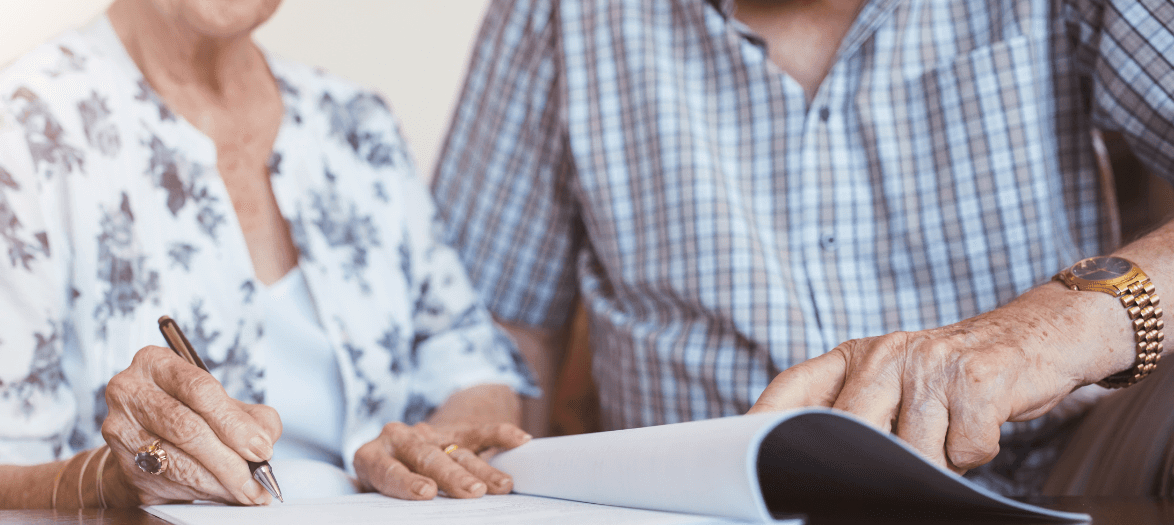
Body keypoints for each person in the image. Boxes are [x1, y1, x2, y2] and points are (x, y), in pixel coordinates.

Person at [434, 0, 1174, 497]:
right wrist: (471, 436)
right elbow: (496, 325)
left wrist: (1047, 332)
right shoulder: (555, 15)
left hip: (1058, 495)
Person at [0, 0, 535, 512]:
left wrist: (440, 443)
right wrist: (117, 482)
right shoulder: (5, 130)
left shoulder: (355, 123)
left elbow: (469, 358)